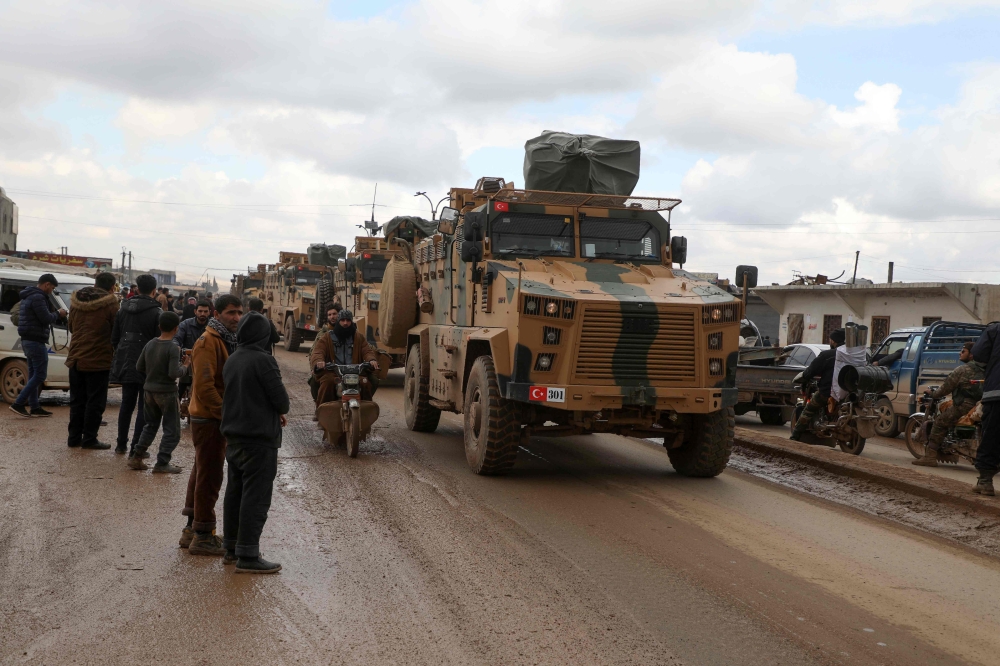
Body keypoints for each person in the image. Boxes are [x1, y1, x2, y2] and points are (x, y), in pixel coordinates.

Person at [221, 311, 290, 573]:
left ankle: (231, 548)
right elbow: (281, 401)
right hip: (259, 440)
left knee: (235, 493)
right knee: (256, 498)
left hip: (234, 436)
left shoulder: (233, 358)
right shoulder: (264, 361)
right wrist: (277, 412)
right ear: (263, 336)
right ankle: (248, 555)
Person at [180, 294, 242, 556]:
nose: (236, 318)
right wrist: (226, 415)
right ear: (217, 314)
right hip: (209, 419)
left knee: (202, 471)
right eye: (230, 313)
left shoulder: (223, 339)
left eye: (239, 313)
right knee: (210, 476)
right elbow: (205, 388)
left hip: (213, 417)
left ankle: (191, 530)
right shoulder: (207, 342)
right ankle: (204, 535)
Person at [127, 312, 189, 473]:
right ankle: (162, 462)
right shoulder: (173, 348)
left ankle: (136, 456)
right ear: (176, 328)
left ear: (159, 327)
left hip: (149, 391)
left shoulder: (150, 344)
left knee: (150, 425)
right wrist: (186, 366)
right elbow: (173, 373)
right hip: (167, 392)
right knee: (172, 430)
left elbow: (139, 367)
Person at [65, 272, 120, 448]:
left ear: (95, 284)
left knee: (77, 401)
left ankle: (73, 438)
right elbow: (115, 331)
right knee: (95, 402)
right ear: (112, 287)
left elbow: (71, 326)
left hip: (75, 358)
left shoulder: (77, 300)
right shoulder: (111, 303)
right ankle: (89, 439)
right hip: (98, 360)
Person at [110, 274, 162, 455]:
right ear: (154, 291)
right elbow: (159, 341)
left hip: (125, 361)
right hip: (147, 364)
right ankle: (136, 448)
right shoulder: (157, 312)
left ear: (137, 289)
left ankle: (121, 444)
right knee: (143, 407)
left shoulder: (122, 309)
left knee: (126, 404)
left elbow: (114, 338)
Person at [913, 342, 985, 467]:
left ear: (971, 354)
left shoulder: (962, 370)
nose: (960, 353)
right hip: (982, 405)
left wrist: (934, 394)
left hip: (965, 406)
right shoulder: (987, 369)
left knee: (940, 422)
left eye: (963, 351)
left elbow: (945, 388)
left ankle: (930, 457)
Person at [9, 274, 67, 417]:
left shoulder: (28, 296)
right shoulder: (38, 297)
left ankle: (35, 407)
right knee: (40, 375)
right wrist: (58, 313)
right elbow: (46, 318)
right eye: (52, 288)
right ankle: (18, 403)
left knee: (33, 375)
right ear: (46, 284)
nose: (51, 291)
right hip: (35, 341)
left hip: (28, 340)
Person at [310, 309, 378, 406]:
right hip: (333, 372)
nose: (345, 323)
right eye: (342, 320)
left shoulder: (358, 337)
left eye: (348, 320)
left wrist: (371, 360)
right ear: (338, 321)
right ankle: (322, 412)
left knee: (365, 383)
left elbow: (366, 350)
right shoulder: (327, 337)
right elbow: (318, 351)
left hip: (355, 372)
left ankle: (366, 412)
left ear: (351, 321)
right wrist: (319, 361)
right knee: (327, 383)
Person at [789, 328, 845, 441]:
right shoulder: (852, 356)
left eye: (830, 339)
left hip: (828, 391)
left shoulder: (827, 355)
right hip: (847, 392)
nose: (830, 341)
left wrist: (804, 377)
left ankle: (795, 436)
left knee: (808, 409)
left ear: (834, 341)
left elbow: (811, 371)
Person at [972, 324, 1000, 495]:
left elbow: (979, 356)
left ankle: (985, 481)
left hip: (996, 394)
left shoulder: (995, 330)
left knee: (991, 436)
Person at [173, 299, 211, 415]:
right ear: (195, 311)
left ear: (209, 312)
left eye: (205, 311)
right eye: (200, 311)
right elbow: (177, 338)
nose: (202, 314)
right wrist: (176, 347)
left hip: (207, 362)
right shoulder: (185, 324)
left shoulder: (213, 326)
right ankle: (175, 409)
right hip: (188, 360)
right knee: (182, 385)